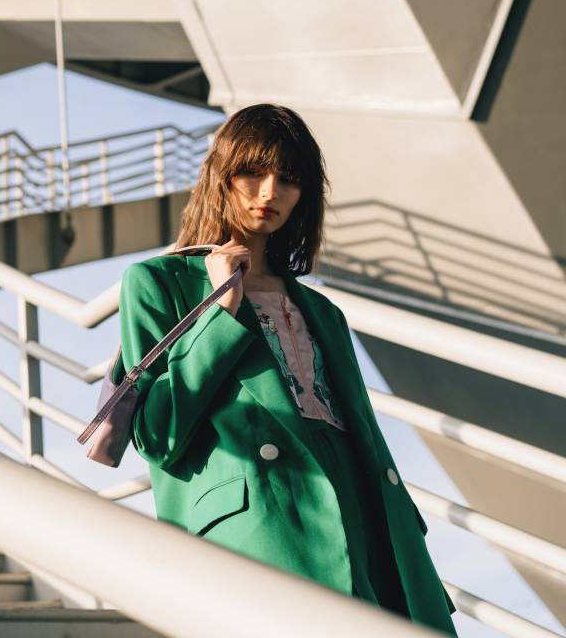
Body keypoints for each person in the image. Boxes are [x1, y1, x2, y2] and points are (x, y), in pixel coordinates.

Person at [118, 104, 456, 634]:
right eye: (252, 171)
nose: (270, 191)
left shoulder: (323, 311)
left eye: (290, 179)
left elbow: (360, 432)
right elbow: (158, 433)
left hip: (357, 501)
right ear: (220, 174)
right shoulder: (159, 283)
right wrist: (221, 308)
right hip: (264, 515)